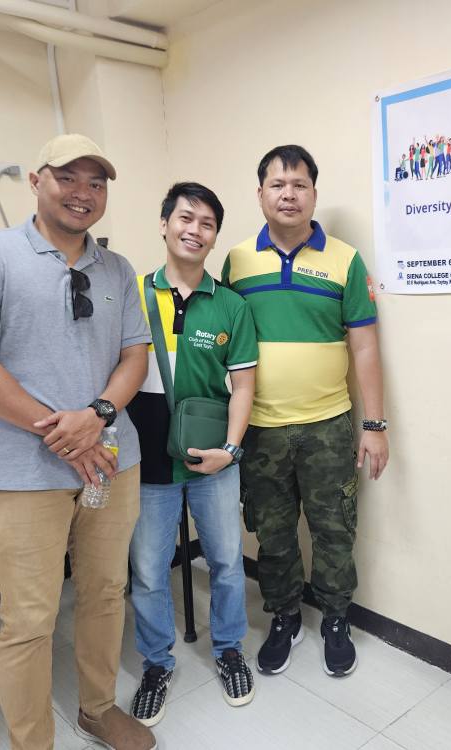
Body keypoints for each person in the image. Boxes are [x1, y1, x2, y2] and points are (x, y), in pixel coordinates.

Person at [0, 134, 155, 750]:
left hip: (111, 463)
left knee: (106, 592)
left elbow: (135, 356)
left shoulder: (117, 269)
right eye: (68, 177)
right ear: (36, 181)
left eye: (96, 182)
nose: (82, 193)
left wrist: (98, 415)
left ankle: (97, 708)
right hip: (23, 471)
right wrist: (67, 436)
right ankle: (31, 742)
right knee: (30, 619)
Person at [221, 145, 389, 678]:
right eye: (277, 184)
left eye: (299, 185)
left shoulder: (344, 260)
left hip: (328, 425)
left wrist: (375, 425)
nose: (288, 194)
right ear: (260, 194)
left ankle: (336, 618)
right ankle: (285, 616)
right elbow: (224, 342)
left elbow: (365, 346)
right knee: (272, 533)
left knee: (334, 528)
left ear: (314, 194)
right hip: (259, 429)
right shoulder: (237, 261)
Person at [125, 182, 259, 726]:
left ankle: (229, 650)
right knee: (148, 571)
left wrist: (231, 449)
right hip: (147, 461)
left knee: (226, 562)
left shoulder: (231, 305)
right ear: (164, 224)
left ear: (214, 236)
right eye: (185, 218)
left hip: (213, 462)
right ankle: (156, 664)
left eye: (207, 224)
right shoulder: (132, 295)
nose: (194, 230)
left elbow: (244, 386)